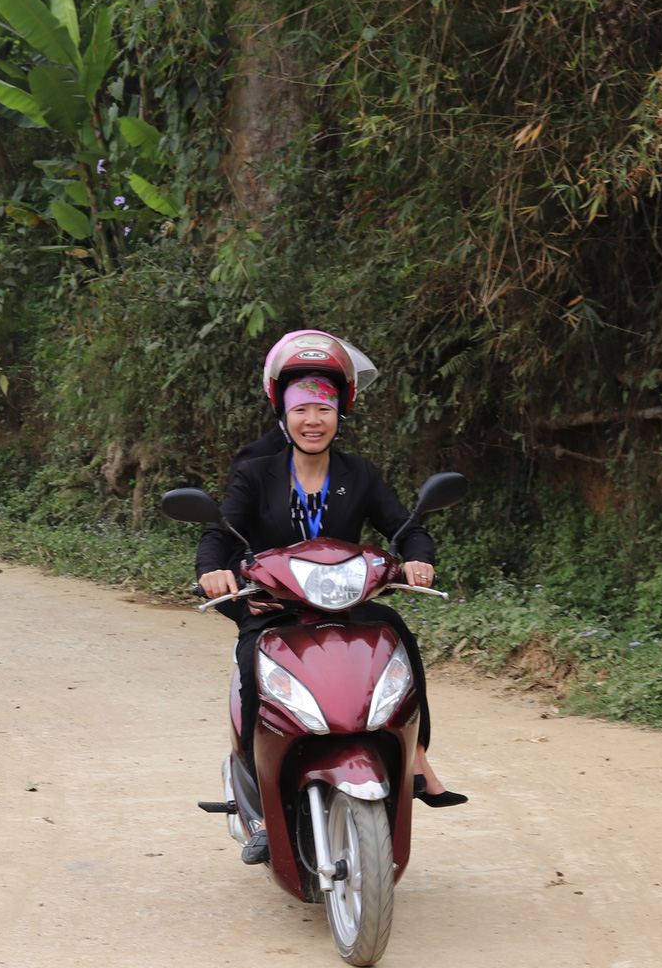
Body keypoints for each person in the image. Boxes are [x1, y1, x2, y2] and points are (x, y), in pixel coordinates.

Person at [197, 329, 466, 865]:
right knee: (254, 662)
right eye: (302, 409)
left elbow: (405, 526)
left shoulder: (358, 474)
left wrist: (417, 556)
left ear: (339, 413)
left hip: (347, 600)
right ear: (283, 414)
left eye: (323, 407)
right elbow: (221, 535)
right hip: (274, 607)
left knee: (398, 639)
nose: (312, 419)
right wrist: (213, 572)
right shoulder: (255, 473)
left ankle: (416, 757)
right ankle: (258, 793)